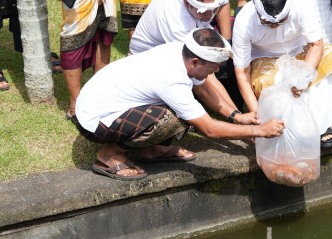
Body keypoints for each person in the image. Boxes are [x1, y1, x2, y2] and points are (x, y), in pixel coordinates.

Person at [75, 29, 285, 180]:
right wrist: (259, 130)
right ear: (195, 62)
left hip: (106, 104)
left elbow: (202, 88)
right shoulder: (172, 78)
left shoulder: (181, 51)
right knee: (174, 120)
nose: (216, 72)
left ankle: (153, 150)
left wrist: (236, 117)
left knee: (185, 111)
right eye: (213, 67)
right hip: (95, 120)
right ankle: (108, 155)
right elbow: (209, 129)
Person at [232, 0, 332, 148]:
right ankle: (285, 124)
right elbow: (242, 73)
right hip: (265, 59)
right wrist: (258, 118)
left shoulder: (301, 2)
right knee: (277, 79)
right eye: (268, 23)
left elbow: (316, 45)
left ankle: (320, 122)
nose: (274, 27)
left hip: (300, 53)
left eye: (281, 21)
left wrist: (302, 77)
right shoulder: (245, 19)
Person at [129, 0, 232, 53]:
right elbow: (192, 61)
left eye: (214, 9)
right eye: (204, 12)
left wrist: (227, 43)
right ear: (187, 4)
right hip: (152, 55)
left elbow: (224, 3)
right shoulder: (175, 19)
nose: (210, 16)